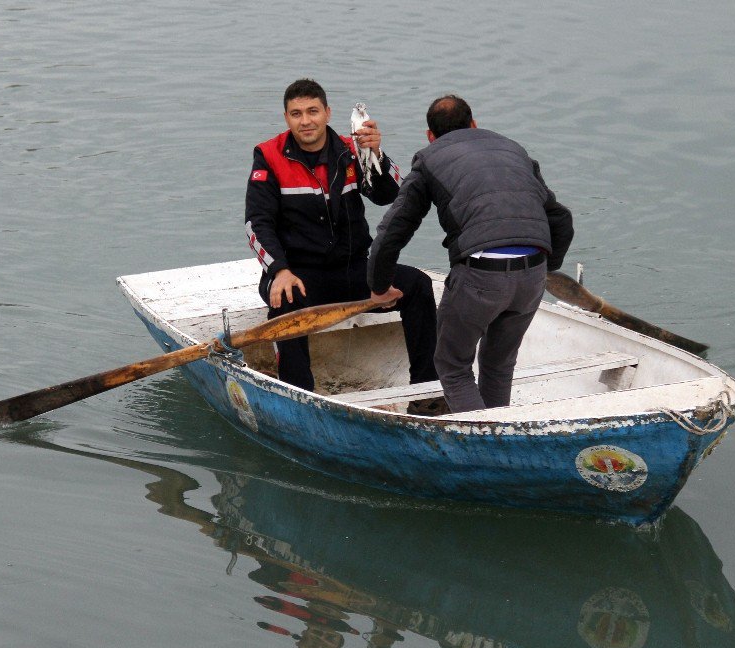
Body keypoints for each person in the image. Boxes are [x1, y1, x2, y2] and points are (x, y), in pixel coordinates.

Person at [368, 95, 574, 413]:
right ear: (474, 124)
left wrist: (379, 285)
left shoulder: (428, 158)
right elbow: (560, 219)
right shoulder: (513, 150)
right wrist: (546, 268)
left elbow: (394, 230)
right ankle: (498, 438)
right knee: (498, 365)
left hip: (481, 273)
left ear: (430, 136)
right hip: (533, 271)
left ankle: (484, 441)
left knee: (452, 366)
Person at [245, 78, 438, 395]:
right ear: (286, 118)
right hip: (297, 275)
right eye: (296, 113)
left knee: (417, 286)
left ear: (327, 113)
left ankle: (426, 390)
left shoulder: (351, 151)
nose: (306, 121)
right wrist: (278, 271)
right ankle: (299, 395)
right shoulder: (269, 156)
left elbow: (388, 194)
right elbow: (257, 222)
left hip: (352, 270)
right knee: (287, 301)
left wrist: (376, 153)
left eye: (313, 111)